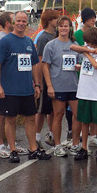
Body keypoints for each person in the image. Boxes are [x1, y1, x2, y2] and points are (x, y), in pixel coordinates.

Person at [0, 11, 51, 163]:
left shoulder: (29, 42)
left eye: (23, 21)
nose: (21, 24)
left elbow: (34, 65)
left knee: (30, 118)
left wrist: (37, 84)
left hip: (27, 90)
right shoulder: (5, 42)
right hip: (10, 89)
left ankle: (33, 149)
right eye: (18, 21)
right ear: (13, 22)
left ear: (27, 23)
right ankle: (12, 150)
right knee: (10, 120)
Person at [41, 15, 88, 157]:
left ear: (70, 28)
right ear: (57, 28)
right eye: (61, 26)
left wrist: (79, 66)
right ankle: (57, 145)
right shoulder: (51, 45)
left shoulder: (75, 44)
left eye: (66, 26)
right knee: (58, 114)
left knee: (78, 115)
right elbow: (45, 66)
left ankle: (75, 144)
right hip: (58, 85)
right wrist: (49, 86)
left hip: (73, 86)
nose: (63, 28)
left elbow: (80, 62)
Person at [74, 27, 97, 162]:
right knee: (84, 121)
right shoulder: (88, 48)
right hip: (84, 91)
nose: (87, 44)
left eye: (89, 42)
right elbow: (73, 47)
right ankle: (84, 147)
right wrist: (88, 50)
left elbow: (96, 65)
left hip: (96, 92)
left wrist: (87, 53)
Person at [0, 12, 17, 158]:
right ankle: (0, 146)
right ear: (8, 23)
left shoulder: (12, 37)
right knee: (0, 114)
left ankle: (11, 144)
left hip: (12, 84)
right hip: (1, 83)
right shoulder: (0, 39)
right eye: (14, 20)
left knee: (10, 115)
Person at [34, 9, 60, 150]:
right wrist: (38, 82)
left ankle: (51, 134)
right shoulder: (43, 38)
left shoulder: (56, 35)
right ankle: (36, 137)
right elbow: (40, 61)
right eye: (56, 18)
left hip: (55, 78)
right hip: (45, 79)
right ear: (49, 21)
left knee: (52, 110)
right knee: (41, 109)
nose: (58, 21)